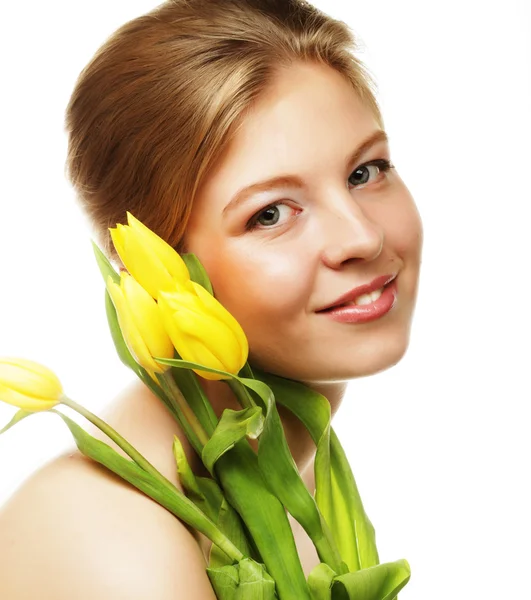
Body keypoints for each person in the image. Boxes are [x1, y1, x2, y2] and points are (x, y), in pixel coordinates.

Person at [0, 0, 423, 597]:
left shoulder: (293, 482)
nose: (363, 236)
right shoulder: (110, 541)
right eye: (270, 214)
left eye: (365, 172)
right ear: (150, 265)